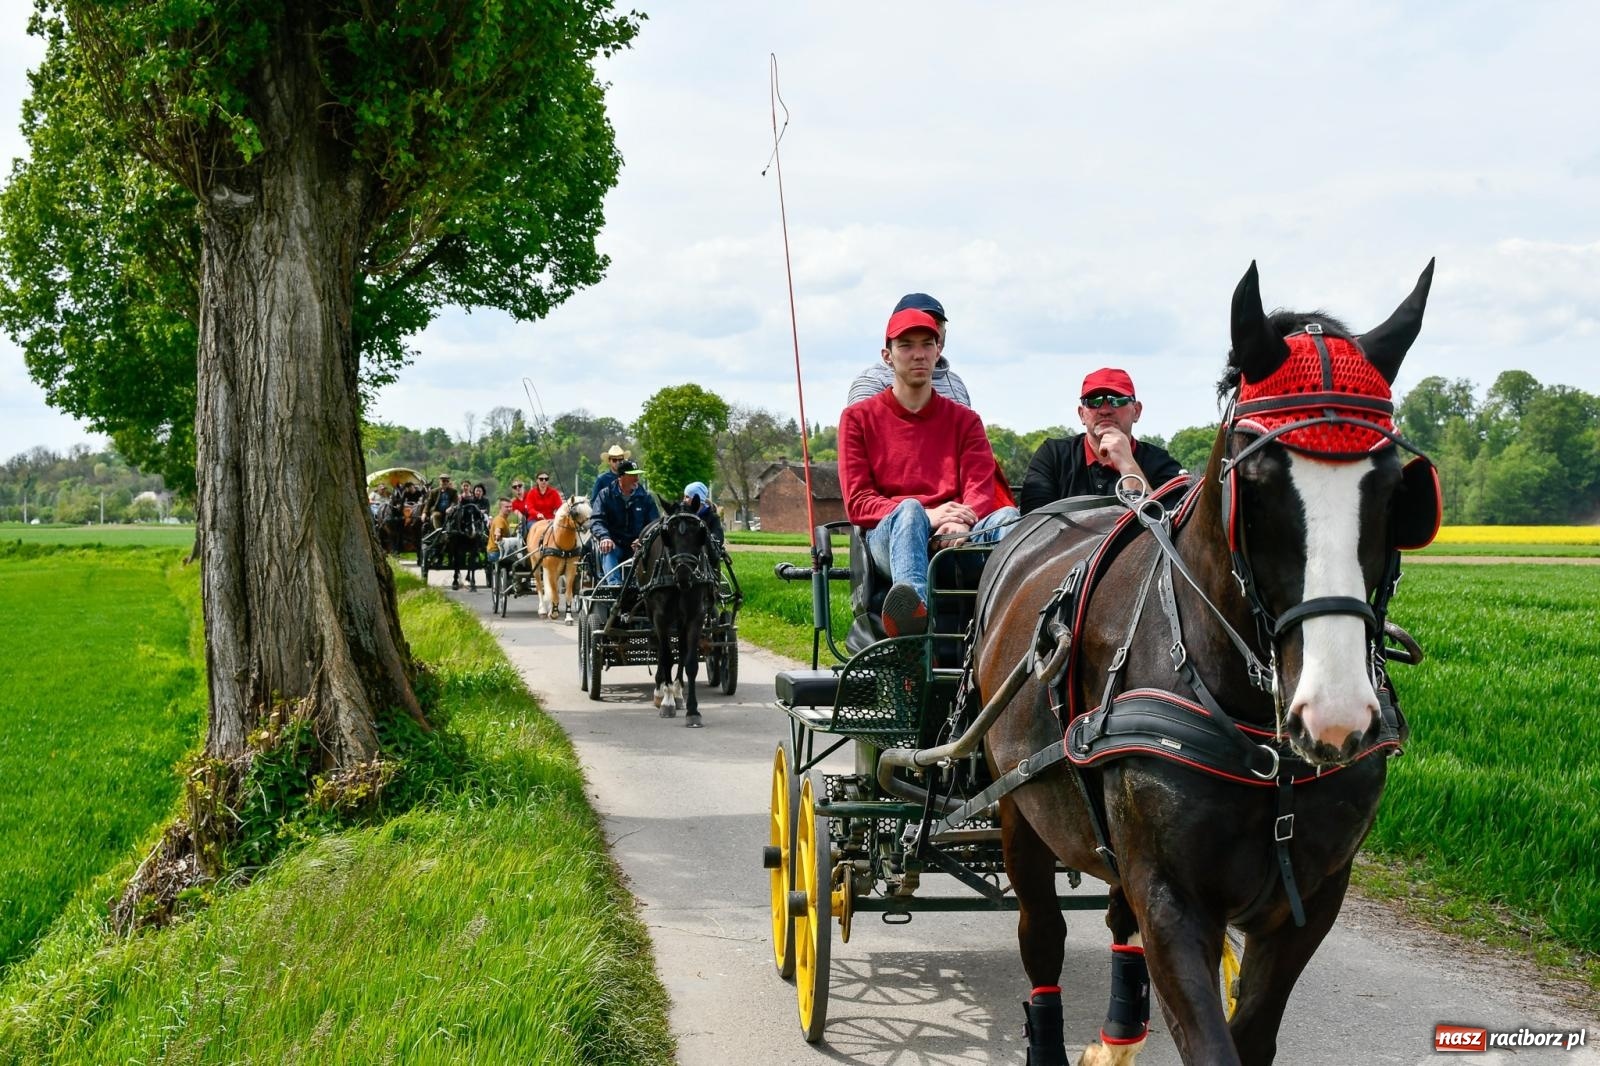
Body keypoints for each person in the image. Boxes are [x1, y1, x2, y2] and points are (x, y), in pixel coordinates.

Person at [839, 306, 1019, 637]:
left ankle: (1017, 622)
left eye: (927, 344)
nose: (918, 354)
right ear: (888, 356)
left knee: (1008, 517)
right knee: (909, 512)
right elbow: (859, 502)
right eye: (906, 345)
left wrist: (958, 522)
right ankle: (913, 623)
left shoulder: (965, 420)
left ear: (939, 352)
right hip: (890, 537)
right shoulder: (858, 419)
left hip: (959, 534)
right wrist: (929, 515)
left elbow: (980, 487)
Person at [1019, 368, 1185, 515]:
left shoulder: (1160, 463)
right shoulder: (1053, 456)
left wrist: (1127, 464)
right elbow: (1032, 523)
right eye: (1093, 401)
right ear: (1081, 414)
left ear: (1137, 411)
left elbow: (1165, 525)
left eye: (1117, 399)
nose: (1105, 410)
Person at [846, 292, 971, 407]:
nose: (929, 328)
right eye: (916, 323)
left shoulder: (956, 383)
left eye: (936, 324)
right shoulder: (872, 381)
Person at [591, 459, 660, 586]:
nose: (636, 479)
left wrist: (643, 540)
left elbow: (654, 524)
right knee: (608, 549)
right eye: (632, 475)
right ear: (621, 477)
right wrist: (604, 537)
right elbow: (596, 520)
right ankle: (615, 586)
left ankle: (646, 585)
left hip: (639, 546)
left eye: (637, 475)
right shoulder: (605, 495)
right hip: (614, 544)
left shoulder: (646, 498)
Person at [681, 481, 725, 547]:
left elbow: (719, 538)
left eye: (687, 497)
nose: (684, 500)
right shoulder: (683, 515)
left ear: (697, 499)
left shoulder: (712, 517)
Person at [486, 496, 518, 578]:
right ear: (500, 508)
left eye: (510, 506)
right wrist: (497, 535)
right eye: (506, 507)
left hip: (495, 551)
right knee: (520, 560)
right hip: (496, 552)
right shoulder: (499, 520)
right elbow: (498, 531)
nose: (509, 508)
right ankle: (515, 582)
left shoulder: (504, 519)